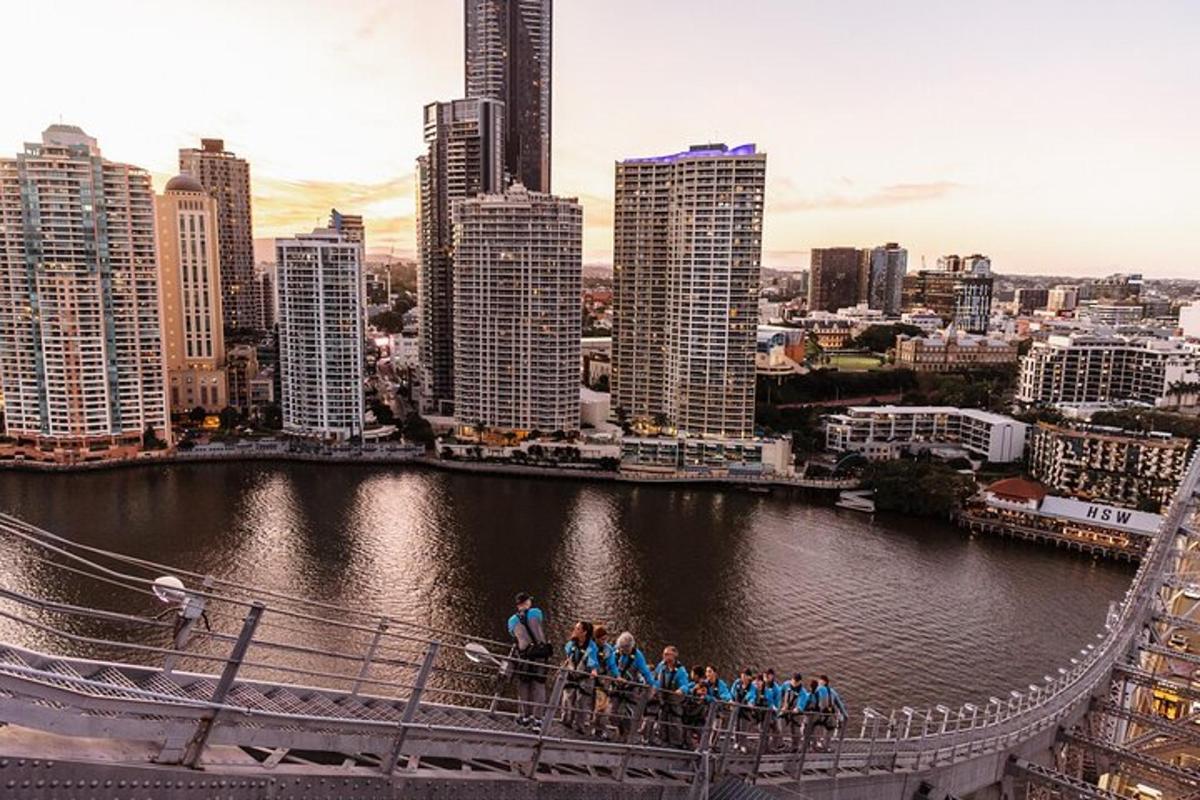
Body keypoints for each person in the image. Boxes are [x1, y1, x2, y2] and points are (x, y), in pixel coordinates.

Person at [506, 592, 551, 731]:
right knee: (539, 687)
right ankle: (538, 720)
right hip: (539, 656)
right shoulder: (536, 612)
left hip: (524, 656)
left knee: (523, 686)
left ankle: (525, 716)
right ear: (527, 602)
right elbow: (539, 625)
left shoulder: (511, 620)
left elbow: (513, 635)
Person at [609, 632, 657, 739]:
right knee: (612, 713)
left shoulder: (638, 657)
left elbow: (646, 672)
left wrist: (652, 686)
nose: (622, 650)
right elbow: (611, 664)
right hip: (617, 686)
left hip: (630, 689)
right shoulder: (616, 652)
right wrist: (617, 676)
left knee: (628, 715)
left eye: (624, 648)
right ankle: (619, 728)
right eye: (620, 648)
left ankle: (625, 735)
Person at [561, 620, 599, 734]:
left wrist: (593, 670)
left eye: (577, 629)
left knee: (581, 703)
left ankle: (580, 726)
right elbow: (568, 654)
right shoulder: (572, 643)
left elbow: (593, 661)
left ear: (584, 632)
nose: (574, 631)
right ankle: (566, 721)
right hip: (572, 675)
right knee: (567, 699)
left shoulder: (592, 647)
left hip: (584, 678)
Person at [652, 645, 692, 747]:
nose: (664, 656)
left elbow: (685, 685)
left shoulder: (680, 671)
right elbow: (655, 677)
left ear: (674, 655)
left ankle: (676, 743)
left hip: (674, 701)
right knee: (662, 720)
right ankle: (662, 741)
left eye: (667, 654)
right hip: (663, 699)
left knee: (674, 722)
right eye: (664, 654)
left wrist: (681, 690)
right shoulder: (661, 666)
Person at [591, 624, 615, 737]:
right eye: (602, 639)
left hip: (602, 681)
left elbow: (612, 665)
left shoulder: (609, 650)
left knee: (602, 708)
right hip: (590, 678)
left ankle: (599, 729)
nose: (604, 641)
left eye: (605, 639)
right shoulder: (590, 647)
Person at [813, 675, 848, 750]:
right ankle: (825, 746)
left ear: (824, 682)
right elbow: (839, 704)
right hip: (829, 714)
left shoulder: (817, 690)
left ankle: (816, 745)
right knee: (829, 730)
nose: (819, 682)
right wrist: (844, 714)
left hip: (819, 715)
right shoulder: (832, 692)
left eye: (820, 681)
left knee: (816, 729)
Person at [779, 672, 811, 752]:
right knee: (779, 727)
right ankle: (779, 744)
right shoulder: (786, 685)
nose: (794, 683)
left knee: (795, 731)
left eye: (796, 682)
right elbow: (780, 693)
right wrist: (781, 705)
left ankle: (795, 747)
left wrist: (798, 708)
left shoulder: (802, 692)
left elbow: (802, 702)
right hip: (785, 710)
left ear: (800, 682)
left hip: (796, 714)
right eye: (793, 681)